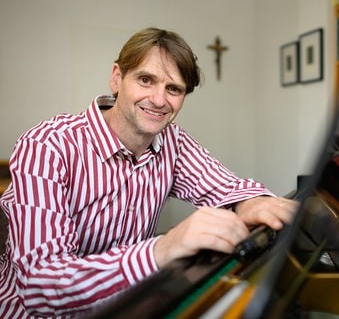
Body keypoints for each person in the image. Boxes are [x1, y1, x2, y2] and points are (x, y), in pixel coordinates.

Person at [0, 27, 298, 318]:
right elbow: (41, 284)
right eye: (146, 80)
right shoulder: (47, 144)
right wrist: (163, 248)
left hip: (129, 305)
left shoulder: (173, 141)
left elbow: (227, 188)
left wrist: (250, 202)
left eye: (174, 89)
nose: (158, 100)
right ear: (117, 78)